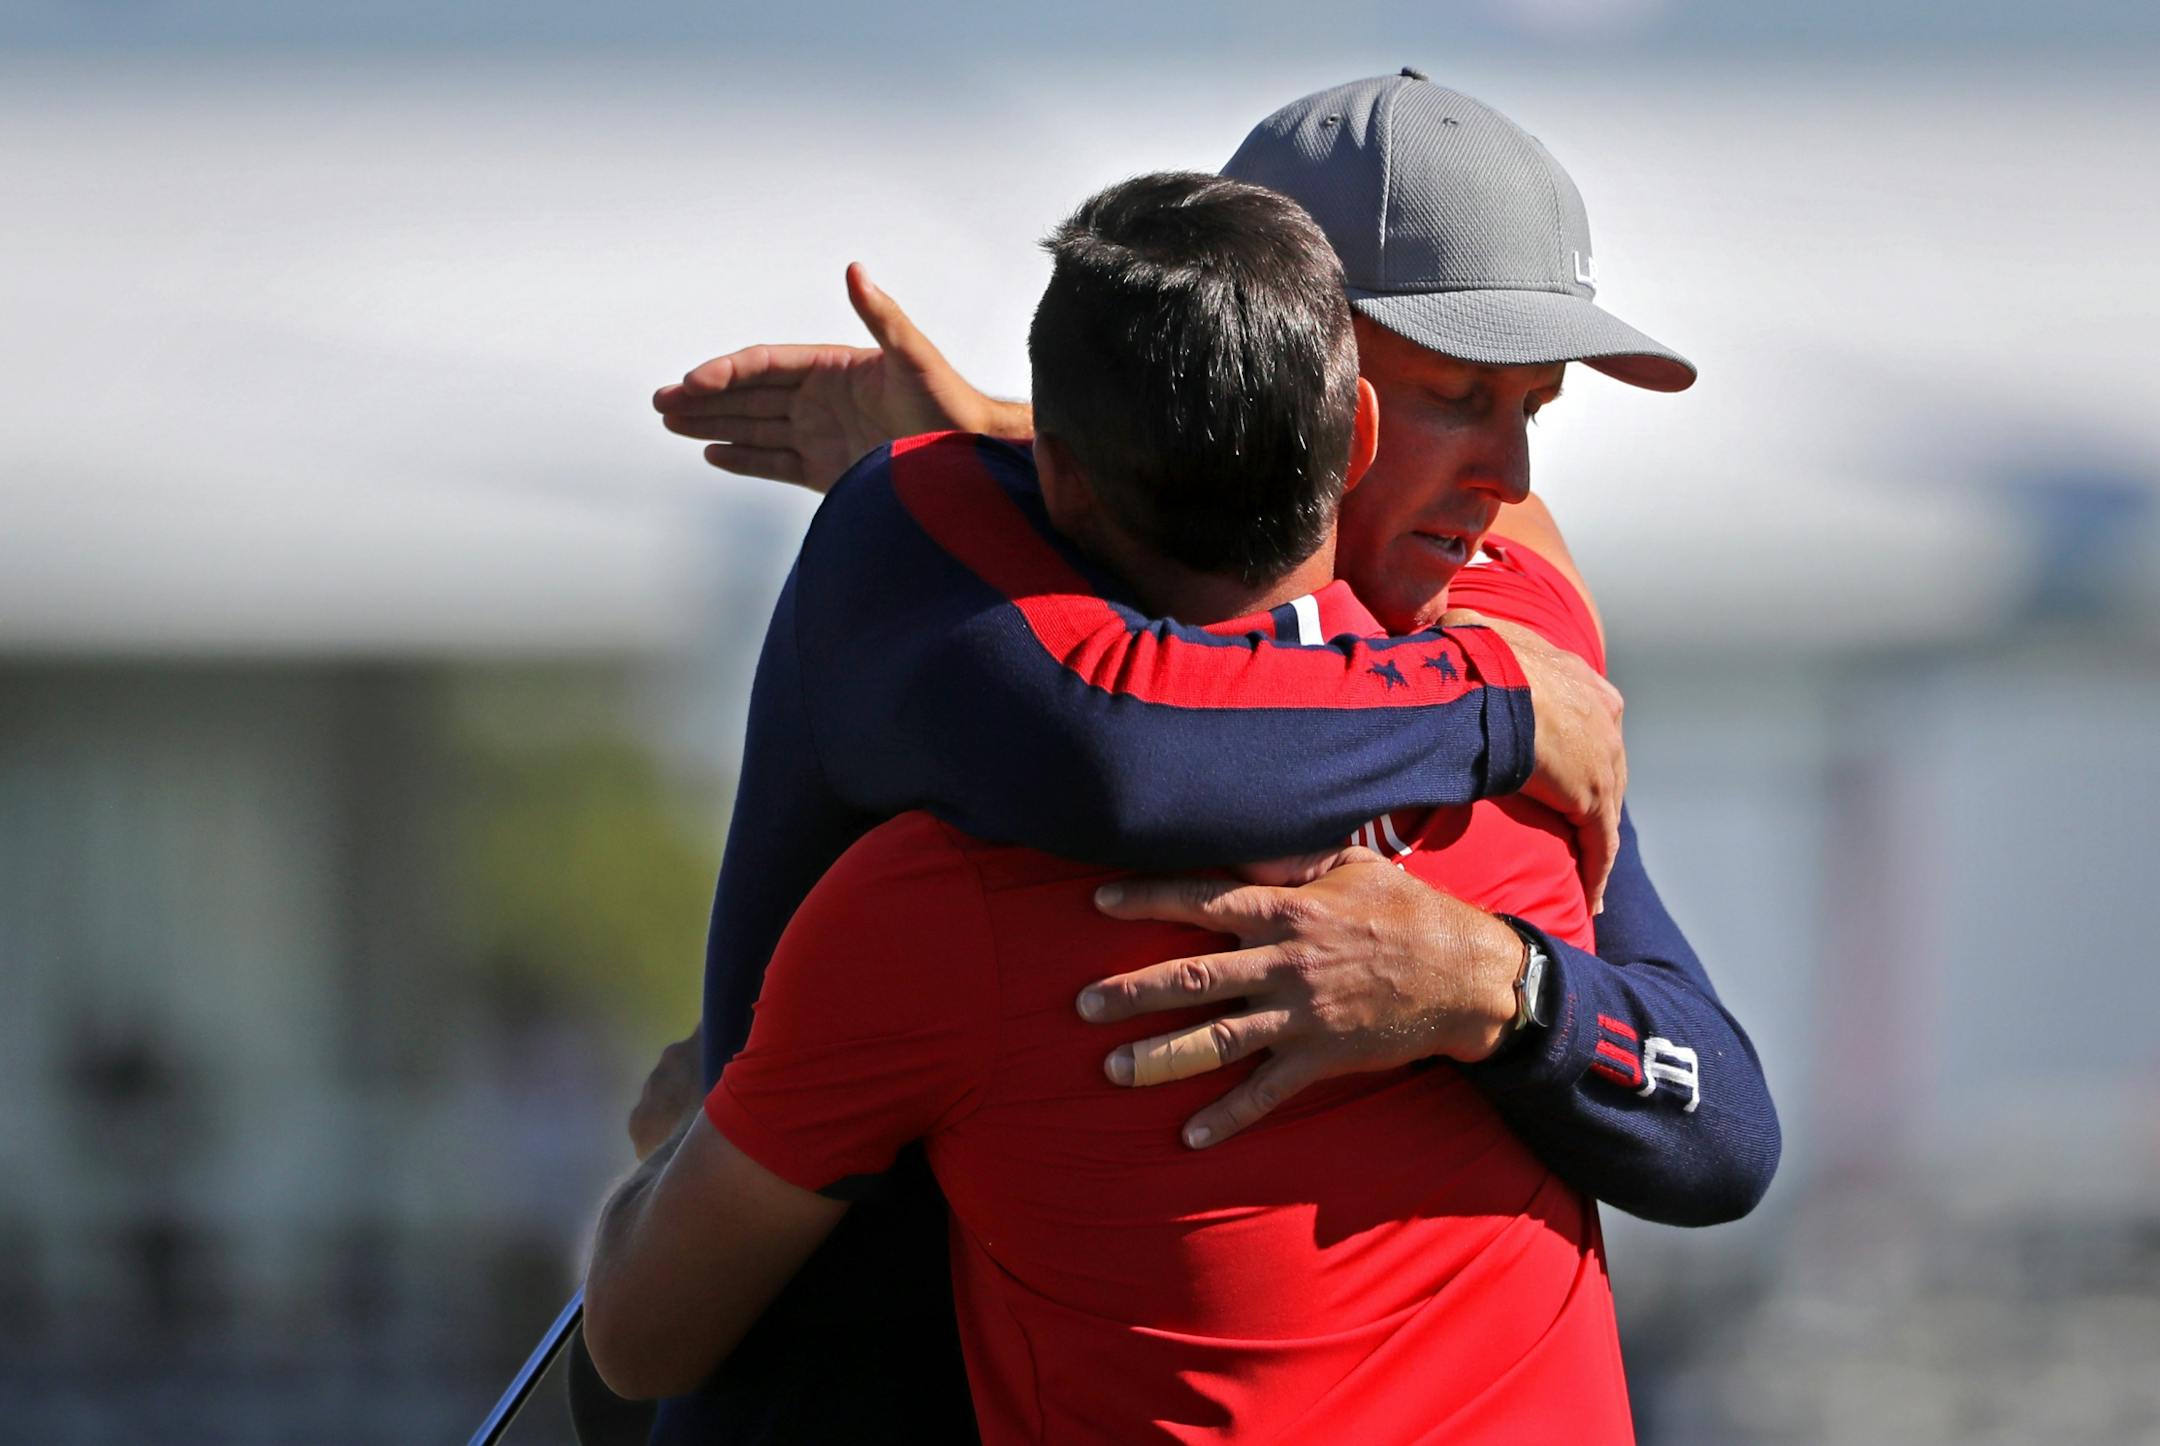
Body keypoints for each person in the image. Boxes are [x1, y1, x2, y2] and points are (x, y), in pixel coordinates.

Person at [623, 73, 1778, 1441]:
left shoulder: (1488, 625)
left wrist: (1488, 982)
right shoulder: (937, 541)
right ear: (1312, 359)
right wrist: (1497, 716)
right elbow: (1119, 751)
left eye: (1538, 403)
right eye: (1461, 394)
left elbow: (1724, 1124)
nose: (1509, 477)